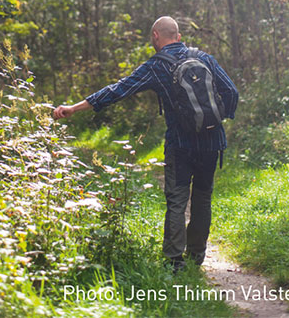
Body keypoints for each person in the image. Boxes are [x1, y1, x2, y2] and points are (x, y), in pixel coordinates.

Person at [52, 16, 239, 271]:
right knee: (203, 197)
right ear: (179, 36)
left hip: (180, 144)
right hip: (212, 141)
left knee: (177, 199)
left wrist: (75, 107)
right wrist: (215, 119)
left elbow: (118, 90)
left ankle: (174, 262)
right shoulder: (204, 57)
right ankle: (196, 258)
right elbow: (231, 92)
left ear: (155, 36)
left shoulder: (156, 66)